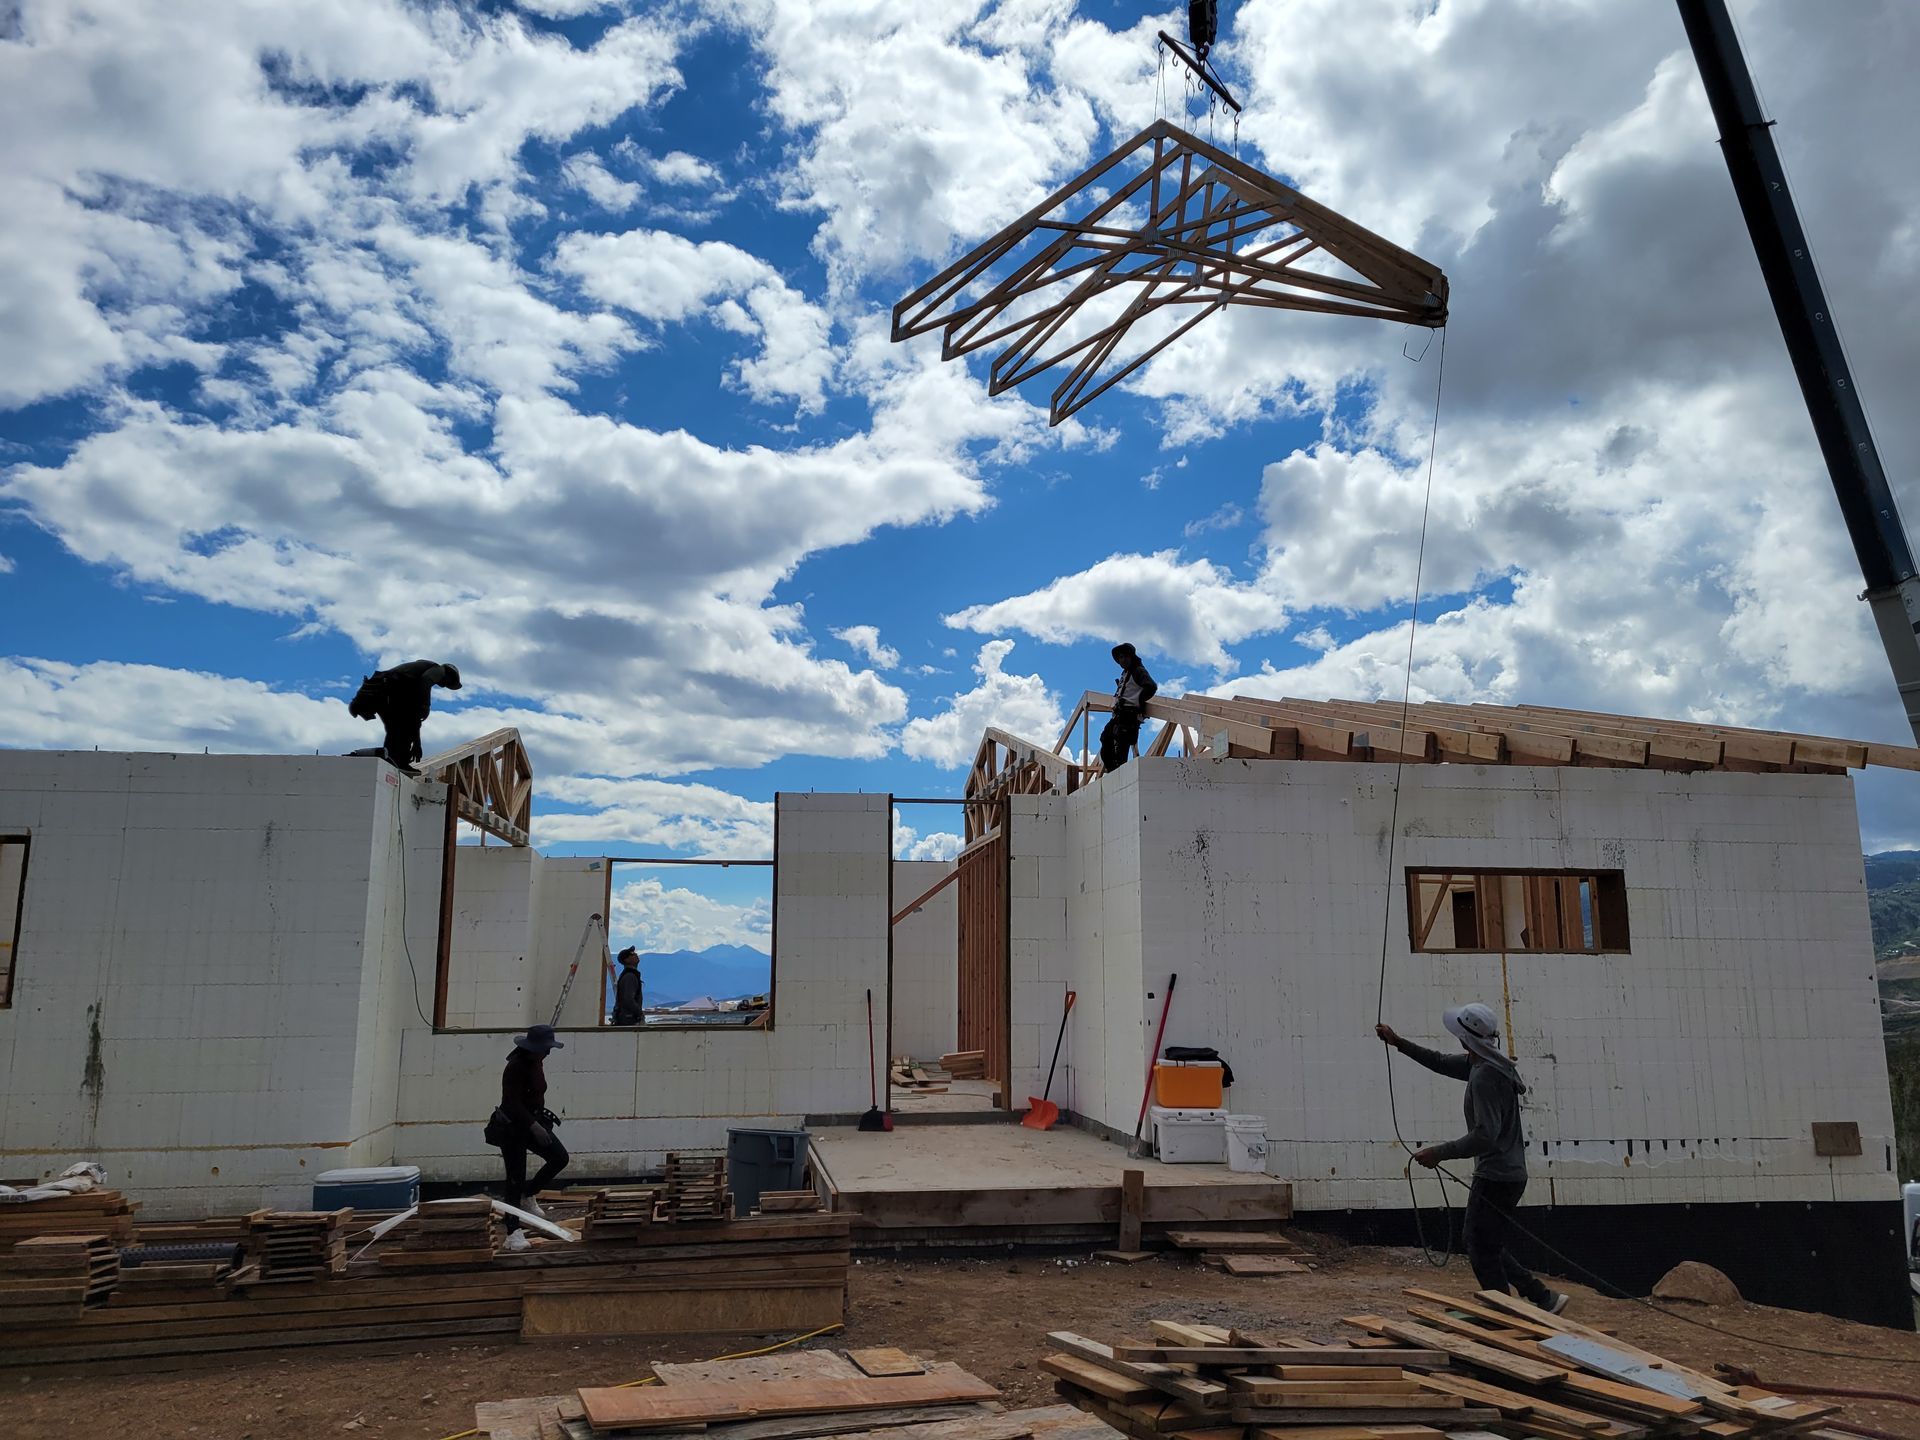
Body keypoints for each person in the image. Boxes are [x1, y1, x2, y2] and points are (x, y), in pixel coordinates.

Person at [1375, 1004, 1569, 1314]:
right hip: (1508, 1174)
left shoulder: (1484, 1077)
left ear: (1465, 1038)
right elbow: (1439, 1061)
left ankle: (1505, 1311)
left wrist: (1438, 1153)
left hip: (1496, 1176)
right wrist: (1397, 1041)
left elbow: (1484, 1135)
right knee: (1487, 1241)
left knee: (1478, 1244)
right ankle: (1541, 1297)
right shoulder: (1486, 1064)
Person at [484, 1023, 568, 1252]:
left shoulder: (537, 1061)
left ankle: (528, 1194)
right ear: (533, 1048)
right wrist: (534, 1126)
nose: (548, 1052)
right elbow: (511, 1103)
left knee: (559, 1158)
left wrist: (538, 1123)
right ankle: (513, 1233)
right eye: (545, 1048)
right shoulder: (516, 1066)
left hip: (532, 1123)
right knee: (515, 1178)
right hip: (512, 1128)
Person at [348, 659, 463, 773]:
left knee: (397, 729)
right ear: (449, 675)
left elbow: (414, 720)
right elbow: (426, 680)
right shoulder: (439, 670)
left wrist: (417, 744)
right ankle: (398, 761)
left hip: (383, 690)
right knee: (400, 729)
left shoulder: (412, 686)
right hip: (388, 688)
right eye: (447, 683)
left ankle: (395, 760)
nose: (443, 685)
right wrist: (425, 706)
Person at [1101, 642, 1158, 773]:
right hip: (1120, 714)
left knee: (1122, 744)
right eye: (1120, 657)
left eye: (1125, 656)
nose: (1122, 660)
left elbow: (1151, 686)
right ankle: (1113, 770)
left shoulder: (1138, 671)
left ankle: (1119, 772)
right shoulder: (1125, 674)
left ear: (1131, 657)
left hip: (1129, 714)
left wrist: (1138, 701)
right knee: (1105, 737)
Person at [611, 947, 643, 1026]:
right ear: (626, 960)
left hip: (627, 1019)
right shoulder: (629, 976)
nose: (636, 954)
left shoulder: (630, 975)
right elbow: (628, 1000)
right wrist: (639, 1013)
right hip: (628, 1020)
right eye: (632, 954)